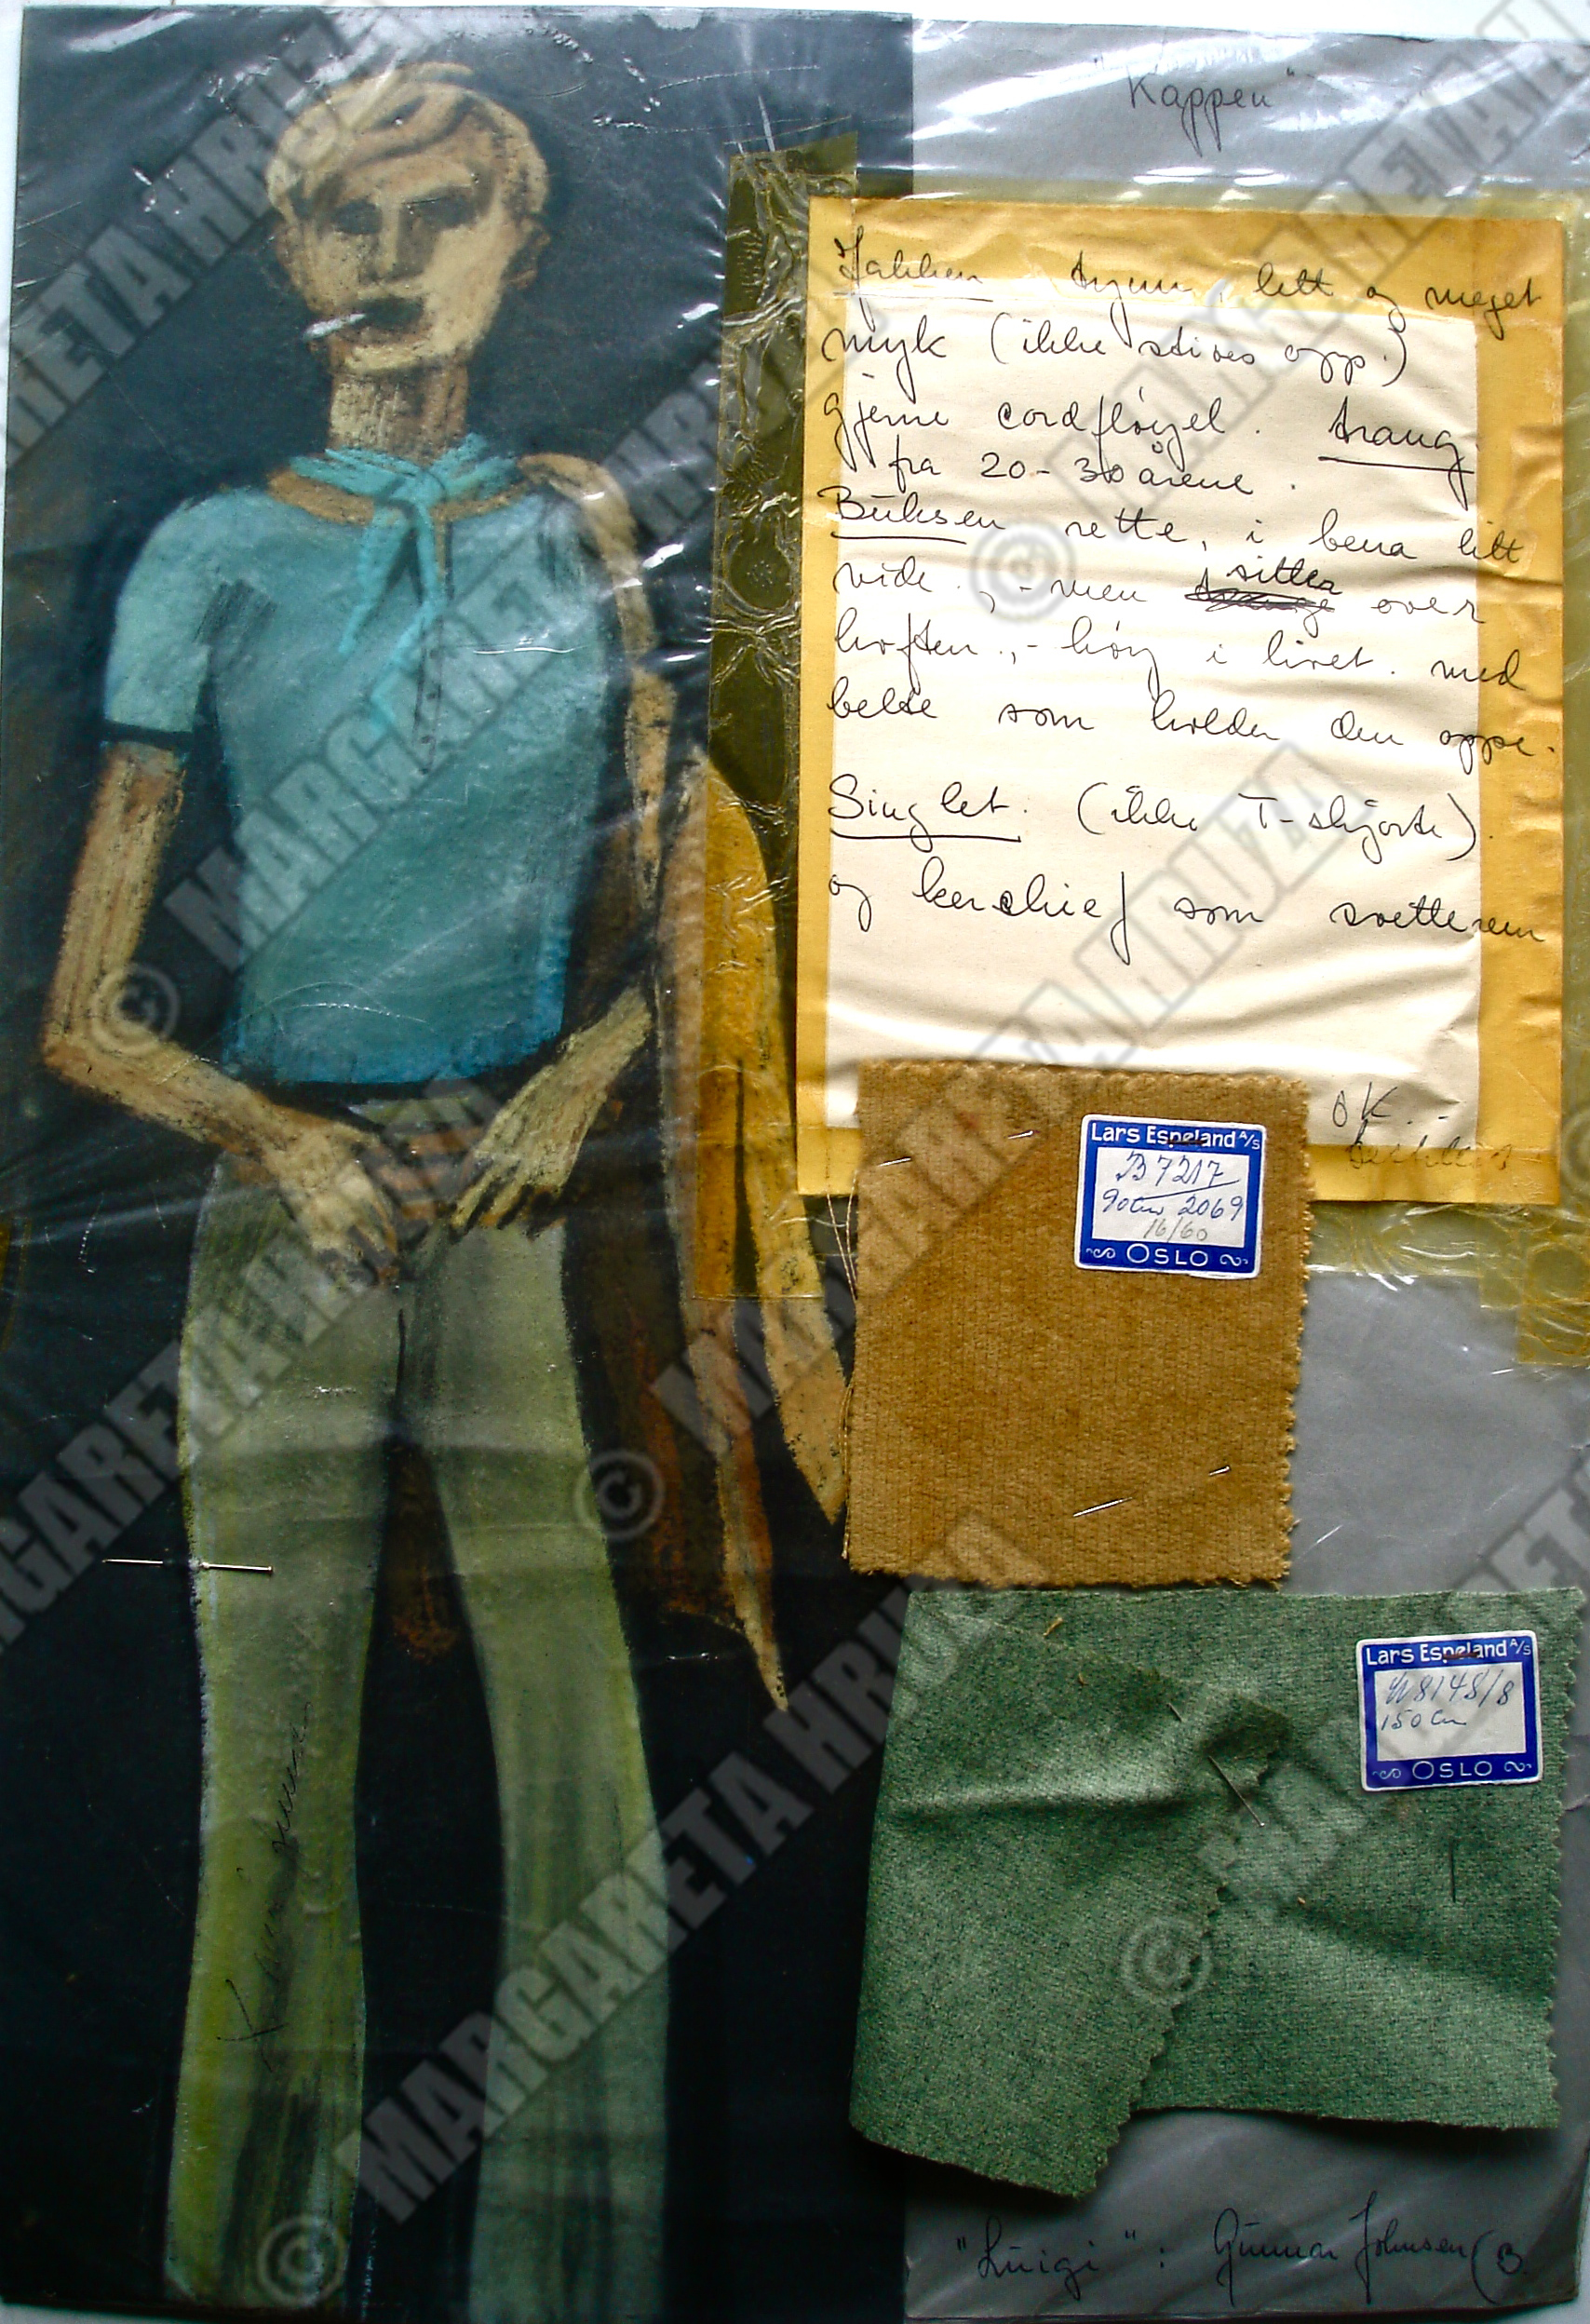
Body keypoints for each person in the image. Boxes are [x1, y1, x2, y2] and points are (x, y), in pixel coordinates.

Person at [43, 62, 844, 2321]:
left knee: (579, 1759)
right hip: (280, 1221)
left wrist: (574, 1088)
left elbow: (681, 915)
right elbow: (85, 1016)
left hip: (519, 1211)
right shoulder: (210, 553)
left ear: (517, 248)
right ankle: (238, 2265)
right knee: (267, 1778)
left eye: (438, 220)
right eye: (344, 221)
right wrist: (285, 1143)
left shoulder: (585, 533)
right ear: (287, 252)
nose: (388, 267)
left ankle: (572, 2288)